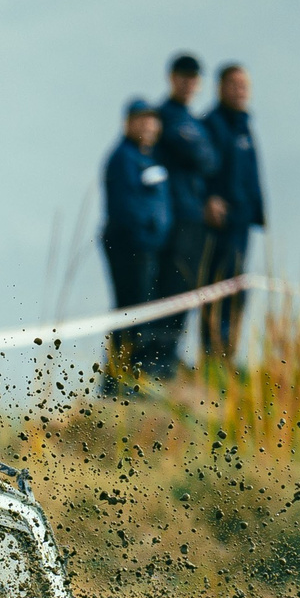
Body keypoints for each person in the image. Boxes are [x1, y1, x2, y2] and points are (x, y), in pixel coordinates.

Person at [148, 53, 220, 379]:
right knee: (170, 289)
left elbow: (209, 160)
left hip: (195, 216)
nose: (188, 83)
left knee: (188, 288)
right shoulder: (165, 117)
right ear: (171, 77)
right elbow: (198, 155)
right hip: (176, 216)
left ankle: (171, 357)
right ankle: (157, 361)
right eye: (183, 76)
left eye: (193, 78)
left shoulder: (193, 120)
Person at [98, 99, 170, 388]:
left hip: (147, 248)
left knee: (140, 312)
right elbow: (126, 209)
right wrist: (148, 237)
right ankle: (118, 378)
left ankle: (131, 375)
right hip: (129, 247)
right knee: (130, 312)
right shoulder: (123, 159)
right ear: (128, 123)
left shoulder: (148, 157)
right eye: (142, 121)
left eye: (152, 122)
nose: (149, 127)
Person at [200, 63, 264, 364]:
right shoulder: (212, 124)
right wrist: (208, 197)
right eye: (235, 85)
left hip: (242, 221)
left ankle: (227, 355)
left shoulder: (244, 126)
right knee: (216, 287)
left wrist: (256, 212)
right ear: (220, 87)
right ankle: (212, 353)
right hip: (219, 224)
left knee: (237, 291)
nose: (241, 91)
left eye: (245, 85)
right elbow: (203, 168)